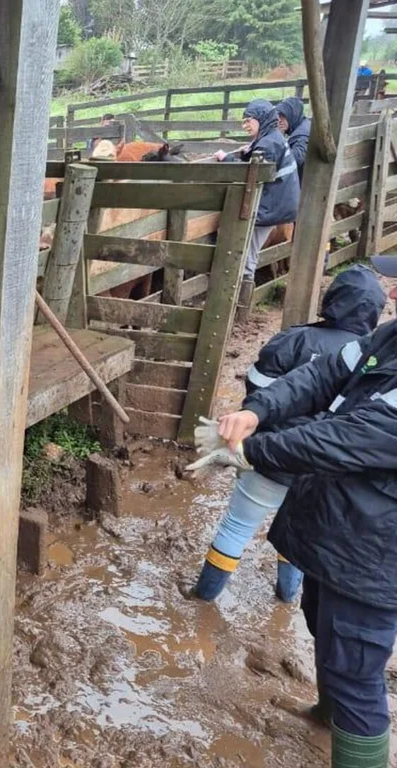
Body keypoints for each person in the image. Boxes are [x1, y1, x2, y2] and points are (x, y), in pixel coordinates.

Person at [189, 254, 397, 768]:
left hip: (377, 548)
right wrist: (257, 412)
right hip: (338, 519)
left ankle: (352, 731)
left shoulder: (295, 338)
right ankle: (331, 716)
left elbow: (349, 437)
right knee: (319, 618)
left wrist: (252, 451)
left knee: (355, 663)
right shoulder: (388, 337)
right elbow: (324, 375)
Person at [191, 265, 386, 603]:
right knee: (298, 532)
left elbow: (256, 386)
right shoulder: (372, 359)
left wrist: (253, 432)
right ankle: (284, 597)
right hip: (317, 468)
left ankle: (203, 598)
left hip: (267, 457)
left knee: (237, 525)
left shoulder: (294, 338)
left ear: (333, 298)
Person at [214, 100, 299, 314]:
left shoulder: (267, 144)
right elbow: (257, 164)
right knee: (247, 253)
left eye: (248, 120)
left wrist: (226, 159)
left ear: (261, 119)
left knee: (247, 256)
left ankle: (240, 308)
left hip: (269, 207)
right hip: (277, 204)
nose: (245, 125)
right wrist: (247, 153)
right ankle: (240, 305)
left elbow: (250, 175)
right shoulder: (272, 138)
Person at [275, 96, 310, 184]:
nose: (279, 120)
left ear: (293, 115)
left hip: (303, 186)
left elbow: (296, 159)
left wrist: (279, 137)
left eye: (283, 116)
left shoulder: (302, 135)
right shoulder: (302, 125)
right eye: (278, 116)